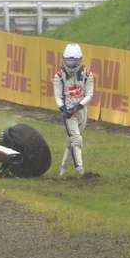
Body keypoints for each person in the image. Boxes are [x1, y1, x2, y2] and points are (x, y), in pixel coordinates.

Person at [53, 43, 94, 176]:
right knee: (77, 140)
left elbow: (89, 94)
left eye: (74, 61)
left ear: (80, 60)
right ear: (64, 60)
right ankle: (80, 170)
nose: (70, 65)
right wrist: (64, 109)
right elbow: (58, 96)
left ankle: (62, 170)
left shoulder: (87, 75)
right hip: (69, 113)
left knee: (71, 143)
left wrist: (78, 106)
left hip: (82, 111)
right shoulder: (59, 76)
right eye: (68, 61)